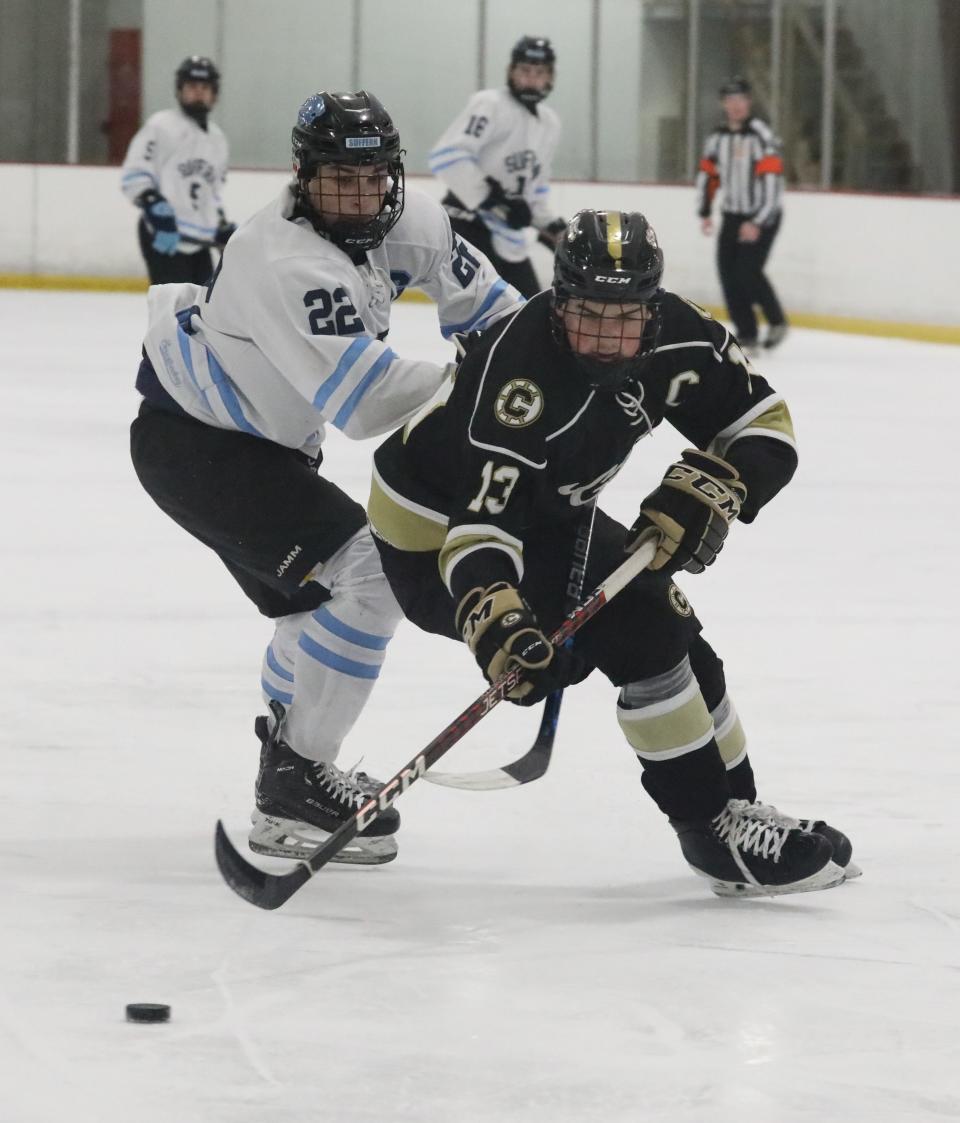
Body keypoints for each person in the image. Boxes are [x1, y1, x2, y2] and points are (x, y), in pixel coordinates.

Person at [367, 209, 858, 897]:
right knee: (642, 631)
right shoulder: (520, 376)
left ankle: (739, 812)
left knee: (675, 623)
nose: (605, 338)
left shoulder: (678, 335)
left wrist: (722, 482)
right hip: (432, 534)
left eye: (625, 318)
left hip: (551, 511)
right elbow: (478, 532)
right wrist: (497, 619)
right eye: (587, 315)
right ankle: (711, 830)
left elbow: (764, 423)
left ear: (653, 310)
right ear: (559, 301)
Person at [128, 91, 523, 865]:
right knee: (370, 572)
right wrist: (480, 398)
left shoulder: (411, 224)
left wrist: (541, 390)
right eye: (341, 177)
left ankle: (285, 781)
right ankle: (298, 775)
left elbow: (498, 315)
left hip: (263, 449)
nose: (361, 194)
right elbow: (366, 398)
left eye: (375, 176)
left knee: (314, 606)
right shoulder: (282, 256)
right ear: (305, 176)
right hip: (201, 448)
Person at [428, 35, 566, 299]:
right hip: (467, 223)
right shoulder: (490, 104)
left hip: (507, 236)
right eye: (524, 70)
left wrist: (551, 226)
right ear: (511, 71)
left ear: (550, 78)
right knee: (482, 316)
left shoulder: (550, 123)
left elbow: (534, 190)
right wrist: (495, 199)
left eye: (539, 73)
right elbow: (448, 156)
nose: (531, 78)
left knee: (530, 311)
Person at [121, 56, 235, 285]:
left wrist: (219, 224)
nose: (199, 93)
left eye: (205, 87)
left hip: (200, 239)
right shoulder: (161, 126)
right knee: (171, 310)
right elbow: (136, 174)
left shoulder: (218, 139)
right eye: (192, 86)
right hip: (165, 234)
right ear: (180, 89)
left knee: (203, 312)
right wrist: (154, 207)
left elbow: (211, 192)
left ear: (214, 93)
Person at [695, 77, 788, 352]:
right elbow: (709, 174)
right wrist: (705, 210)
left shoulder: (761, 135)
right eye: (730, 100)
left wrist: (758, 221)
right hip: (733, 215)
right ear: (723, 104)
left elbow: (773, 181)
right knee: (727, 272)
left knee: (747, 270)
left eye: (741, 99)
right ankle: (747, 333)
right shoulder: (717, 138)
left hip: (763, 214)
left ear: (749, 102)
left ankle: (776, 320)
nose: (736, 105)